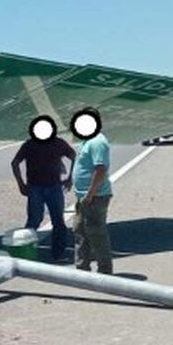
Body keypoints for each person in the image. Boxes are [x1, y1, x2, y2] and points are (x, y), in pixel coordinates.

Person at [10, 115, 76, 263]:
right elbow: (14, 163)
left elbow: (74, 156)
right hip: (39, 187)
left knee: (50, 221)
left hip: (49, 187)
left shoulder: (56, 143)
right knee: (39, 220)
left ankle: (55, 253)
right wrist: (21, 184)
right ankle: (31, 252)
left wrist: (71, 177)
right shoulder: (31, 144)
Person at [69, 108, 114, 275]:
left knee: (96, 234)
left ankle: (105, 272)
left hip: (95, 197)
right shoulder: (86, 141)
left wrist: (90, 194)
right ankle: (82, 270)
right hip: (84, 197)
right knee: (80, 231)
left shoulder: (97, 142)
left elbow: (100, 169)